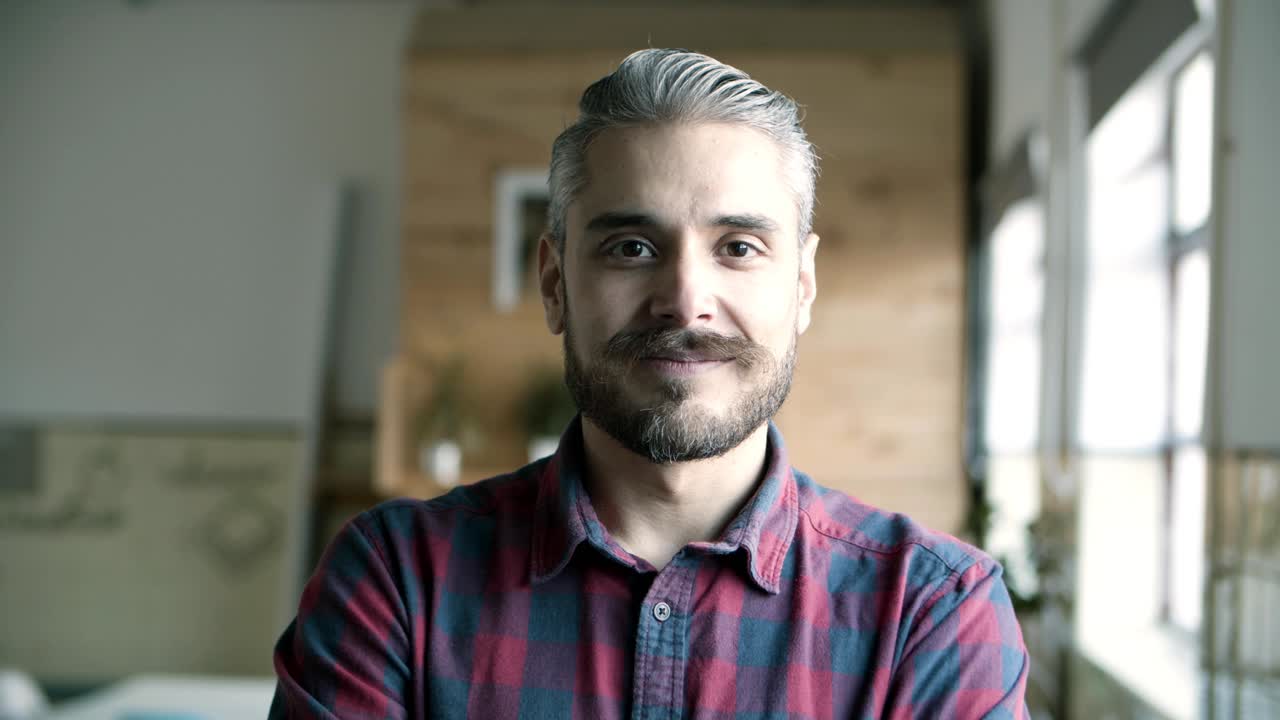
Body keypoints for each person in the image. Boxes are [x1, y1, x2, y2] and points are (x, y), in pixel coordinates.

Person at [270, 48, 1029, 719]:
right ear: (554, 283)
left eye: (737, 247)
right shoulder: (397, 582)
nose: (684, 298)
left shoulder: (931, 612)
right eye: (632, 247)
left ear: (802, 287)